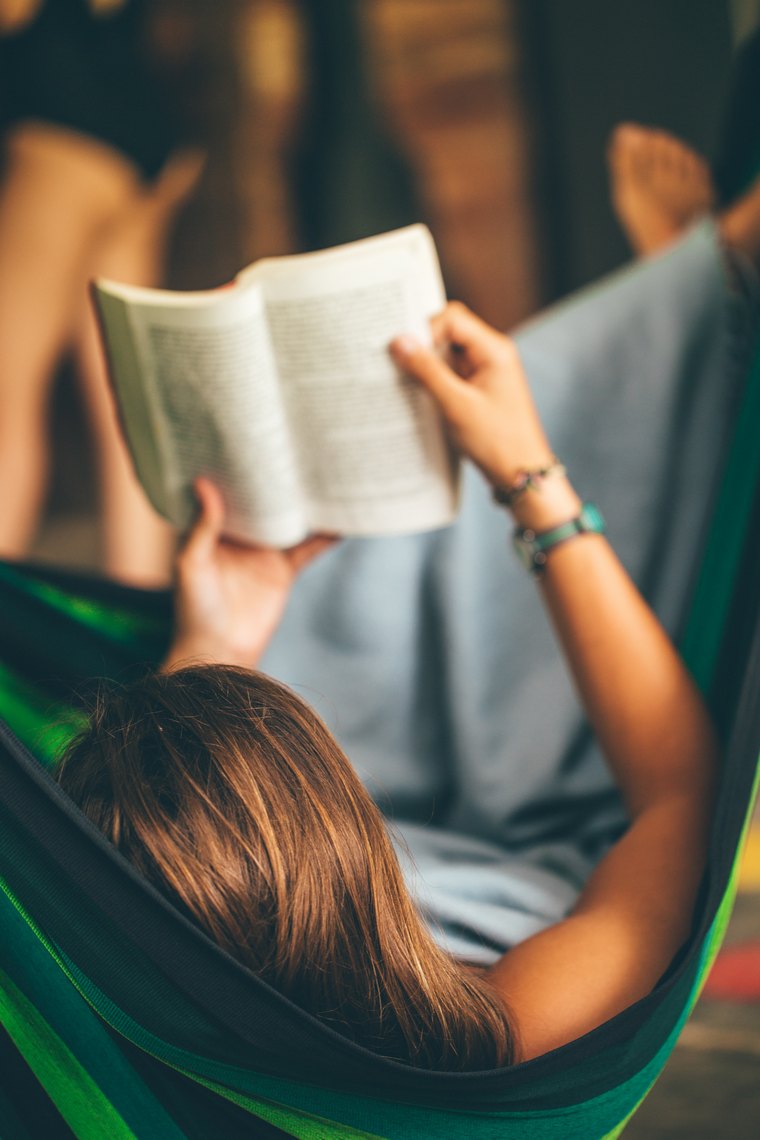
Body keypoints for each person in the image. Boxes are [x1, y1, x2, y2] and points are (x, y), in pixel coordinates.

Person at [54, 144, 760, 1068]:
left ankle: (699, 297)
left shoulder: (97, 1015)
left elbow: (176, 898)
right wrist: (527, 479)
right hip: (537, 548)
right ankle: (708, 293)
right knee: (512, 423)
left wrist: (215, 638)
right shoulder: (508, 1027)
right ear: (356, 859)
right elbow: (678, 795)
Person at [0, 0, 204, 584]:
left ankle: (8, 636)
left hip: (64, 134)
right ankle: (144, 636)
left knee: (6, 399)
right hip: (149, 131)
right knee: (124, 408)